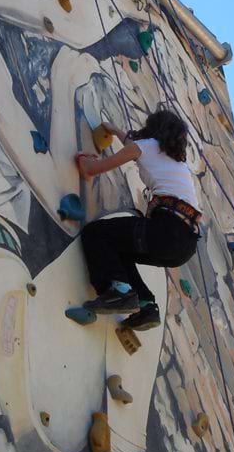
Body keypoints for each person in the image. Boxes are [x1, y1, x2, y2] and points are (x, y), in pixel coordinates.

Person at [77, 109, 201, 331]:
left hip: (165, 230)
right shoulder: (177, 165)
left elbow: (95, 170)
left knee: (95, 233)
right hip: (185, 244)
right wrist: (115, 130)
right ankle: (146, 306)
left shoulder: (147, 147)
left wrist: (85, 162)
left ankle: (117, 292)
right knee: (120, 250)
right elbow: (135, 146)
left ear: (154, 129)